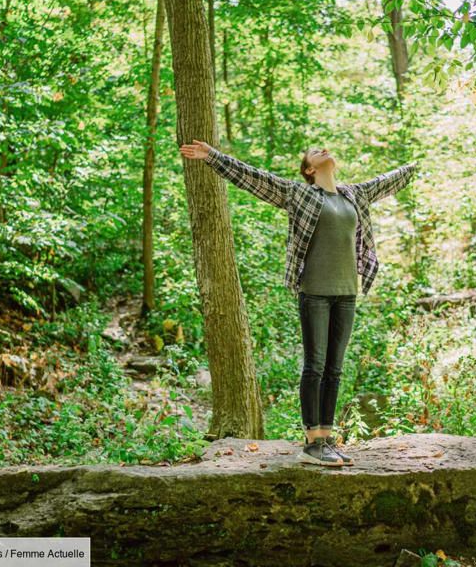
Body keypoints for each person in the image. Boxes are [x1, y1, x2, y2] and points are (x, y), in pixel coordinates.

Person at [179, 139, 418, 466]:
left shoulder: (354, 195)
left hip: (346, 292)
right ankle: (311, 442)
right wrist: (212, 156)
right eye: (316, 152)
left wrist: (420, 162)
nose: (325, 149)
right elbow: (254, 178)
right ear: (309, 169)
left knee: (335, 369)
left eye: (326, 148)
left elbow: (390, 180)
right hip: (315, 292)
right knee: (316, 365)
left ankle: (327, 438)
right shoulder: (300, 194)